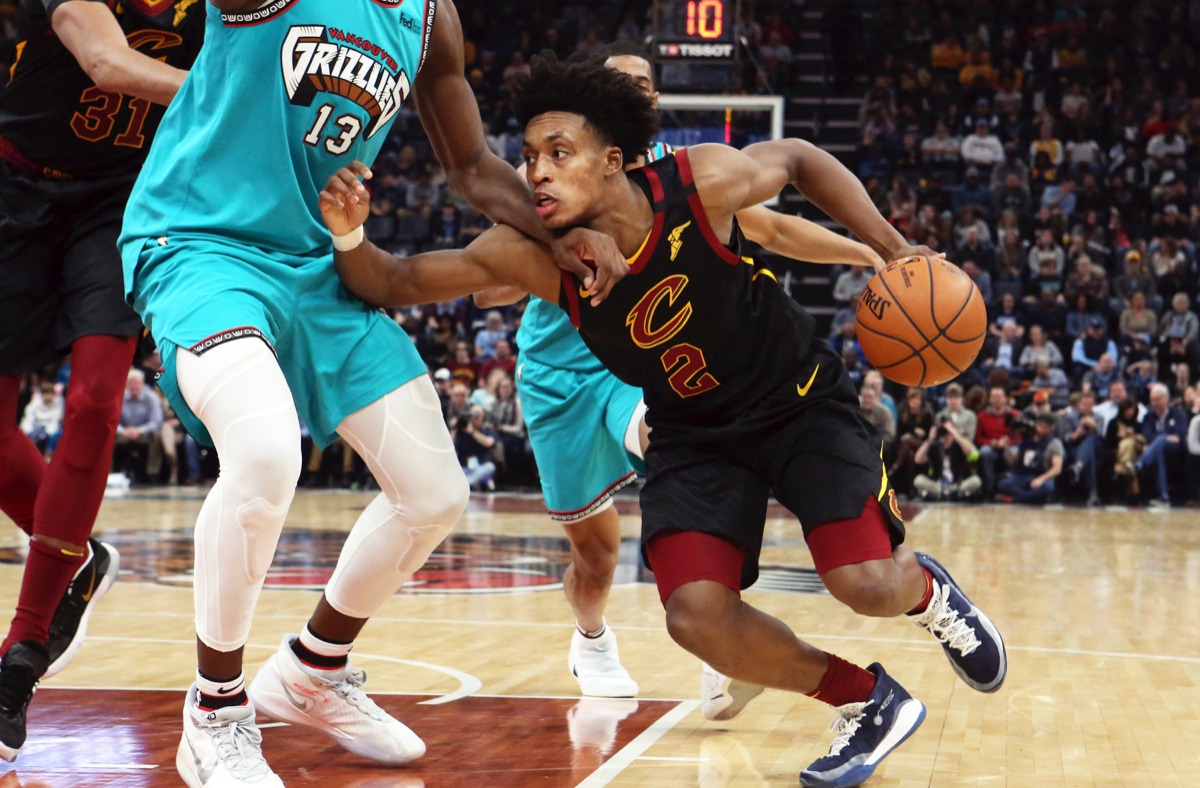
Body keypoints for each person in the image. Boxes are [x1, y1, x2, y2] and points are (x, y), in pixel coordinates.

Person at [323, 52, 1006, 786]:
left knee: (866, 585)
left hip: (795, 401)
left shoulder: (699, 183)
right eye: (527, 159)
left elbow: (802, 159)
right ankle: (866, 701)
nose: (537, 174)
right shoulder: (529, 255)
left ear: (613, 161)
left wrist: (890, 246)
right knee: (696, 618)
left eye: (560, 154)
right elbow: (393, 280)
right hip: (693, 429)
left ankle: (928, 593)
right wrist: (348, 233)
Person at [118, 2, 631, 785]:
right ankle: (216, 711)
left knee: (433, 493)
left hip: (317, 265)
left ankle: (312, 671)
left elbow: (470, 170)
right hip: (200, 243)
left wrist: (565, 232)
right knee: (262, 454)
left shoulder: (432, 21)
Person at [475, 41, 893, 708]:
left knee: (682, 452)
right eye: (622, 84)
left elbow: (773, 228)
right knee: (595, 553)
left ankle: (729, 647)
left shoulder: (680, 181)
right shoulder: (560, 185)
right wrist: (543, 250)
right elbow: (490, 286)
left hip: (646, 377)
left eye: (646, 85)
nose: (636, 93)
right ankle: (591, 640)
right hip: (555, 375)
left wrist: (869, 251)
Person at [0, 0, 205, 758]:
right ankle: (79, 555)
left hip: (120, 204)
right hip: (16, 187)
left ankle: (20, 658)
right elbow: (107, 64)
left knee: (92, 400)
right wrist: (237, 94)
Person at [1129, 383, 1189, 508]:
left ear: (1166, 398)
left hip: (1177, 450)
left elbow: (1180, 434)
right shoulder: (1149, 416)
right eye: (1152, 400)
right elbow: (1147, 435)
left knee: (1161, 439)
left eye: (1157, 399)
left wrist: (1161, 439)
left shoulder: (1178, 413)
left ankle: (1140, 463)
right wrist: (1165, 438)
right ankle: (1164, 496)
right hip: (1157, 450)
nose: (1154, 403)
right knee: (1159, 448)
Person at [996, 414, 1064, 503]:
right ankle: (1030, 498)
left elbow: (1057, 469)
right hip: (1022, 476)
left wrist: (1041, 479)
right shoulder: (1025, 441)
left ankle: (1015, 499)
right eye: (1040, 426)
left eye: (1046, 427)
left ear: (1050, 429)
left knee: (1047, 488)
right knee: (1003, 484)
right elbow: (1012, 462)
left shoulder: (1054, 443)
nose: (1042, 429)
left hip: (1041, 477)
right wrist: (1006, 447)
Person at [912, 416, 981, 501]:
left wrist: (954, 433)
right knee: (918, 480)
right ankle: (946, 493)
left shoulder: (958, 444)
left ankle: (952, 492)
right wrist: (929, 440)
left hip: (957, 483)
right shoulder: (935, 446)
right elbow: (918, 459)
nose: (946, 433)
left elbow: (970, 452)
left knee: (976, 481)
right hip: (938, 484)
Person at [114, 368, 165, 482]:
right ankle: (111, 472)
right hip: (124, 433)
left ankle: (153, 473)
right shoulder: (119, 397)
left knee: (156, 435)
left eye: (136, 383)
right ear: (126, 384)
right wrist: (123, 431)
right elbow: (113, 421)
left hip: (144, 433)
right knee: (108, 435)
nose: (134, 387)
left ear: (142, 383)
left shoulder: (151, 397)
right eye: (131, 384)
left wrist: (139, 430)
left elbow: (156, 422)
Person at [1058, 390, 1103, 506]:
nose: (1087, 407)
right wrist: (1076, 434)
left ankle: (1077, 467)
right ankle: (1093, 493)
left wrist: (1093, 427)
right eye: (1084, 404)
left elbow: (1102, 438)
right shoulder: (1069, 417)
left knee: (1091, 438)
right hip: (1075, 448)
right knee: (1089, 455)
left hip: (1097, 449)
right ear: (1079, 404)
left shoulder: (1099, 417)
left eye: (1090, 405)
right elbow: (1065, 438)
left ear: (1093, 405)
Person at [975, 386, 1020, 495]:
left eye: (999, 397)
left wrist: (1007, 442)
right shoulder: (982, 416)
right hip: (991, 446)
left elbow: (1019, 437)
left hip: (1009, 446)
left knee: (1016, 452)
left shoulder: (1014, 415)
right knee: (985, 452)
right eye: (994, 397)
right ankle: (989, 488)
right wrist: (991, 442)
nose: (996, 400)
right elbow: (978, 438)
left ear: (1005, 399)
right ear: (990, 399)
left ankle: (1013, 489)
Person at [452, 405, 499, 490]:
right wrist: (455, 428)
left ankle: (465, 483)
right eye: (473, 415)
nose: (476, 418)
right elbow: (450, 446)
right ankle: (470, 482)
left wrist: (473, 432)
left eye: (478, 415)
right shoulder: (461, 430)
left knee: (490, 467)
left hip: (481, 467)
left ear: (483, 417)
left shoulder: (487, 429)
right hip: (464, 468)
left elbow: (488, 443)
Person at [19, 384, 64, 457]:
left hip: (50, 431)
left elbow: (55, 421)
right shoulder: (35, 403)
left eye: (50, 394)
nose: (48, 396)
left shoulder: (59, 403)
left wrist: (46, 432)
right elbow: (28, 418)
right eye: (46, 393)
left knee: (56, 434)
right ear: (42, 395)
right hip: (34, 430)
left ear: (53, 395)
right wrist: (29, 430)